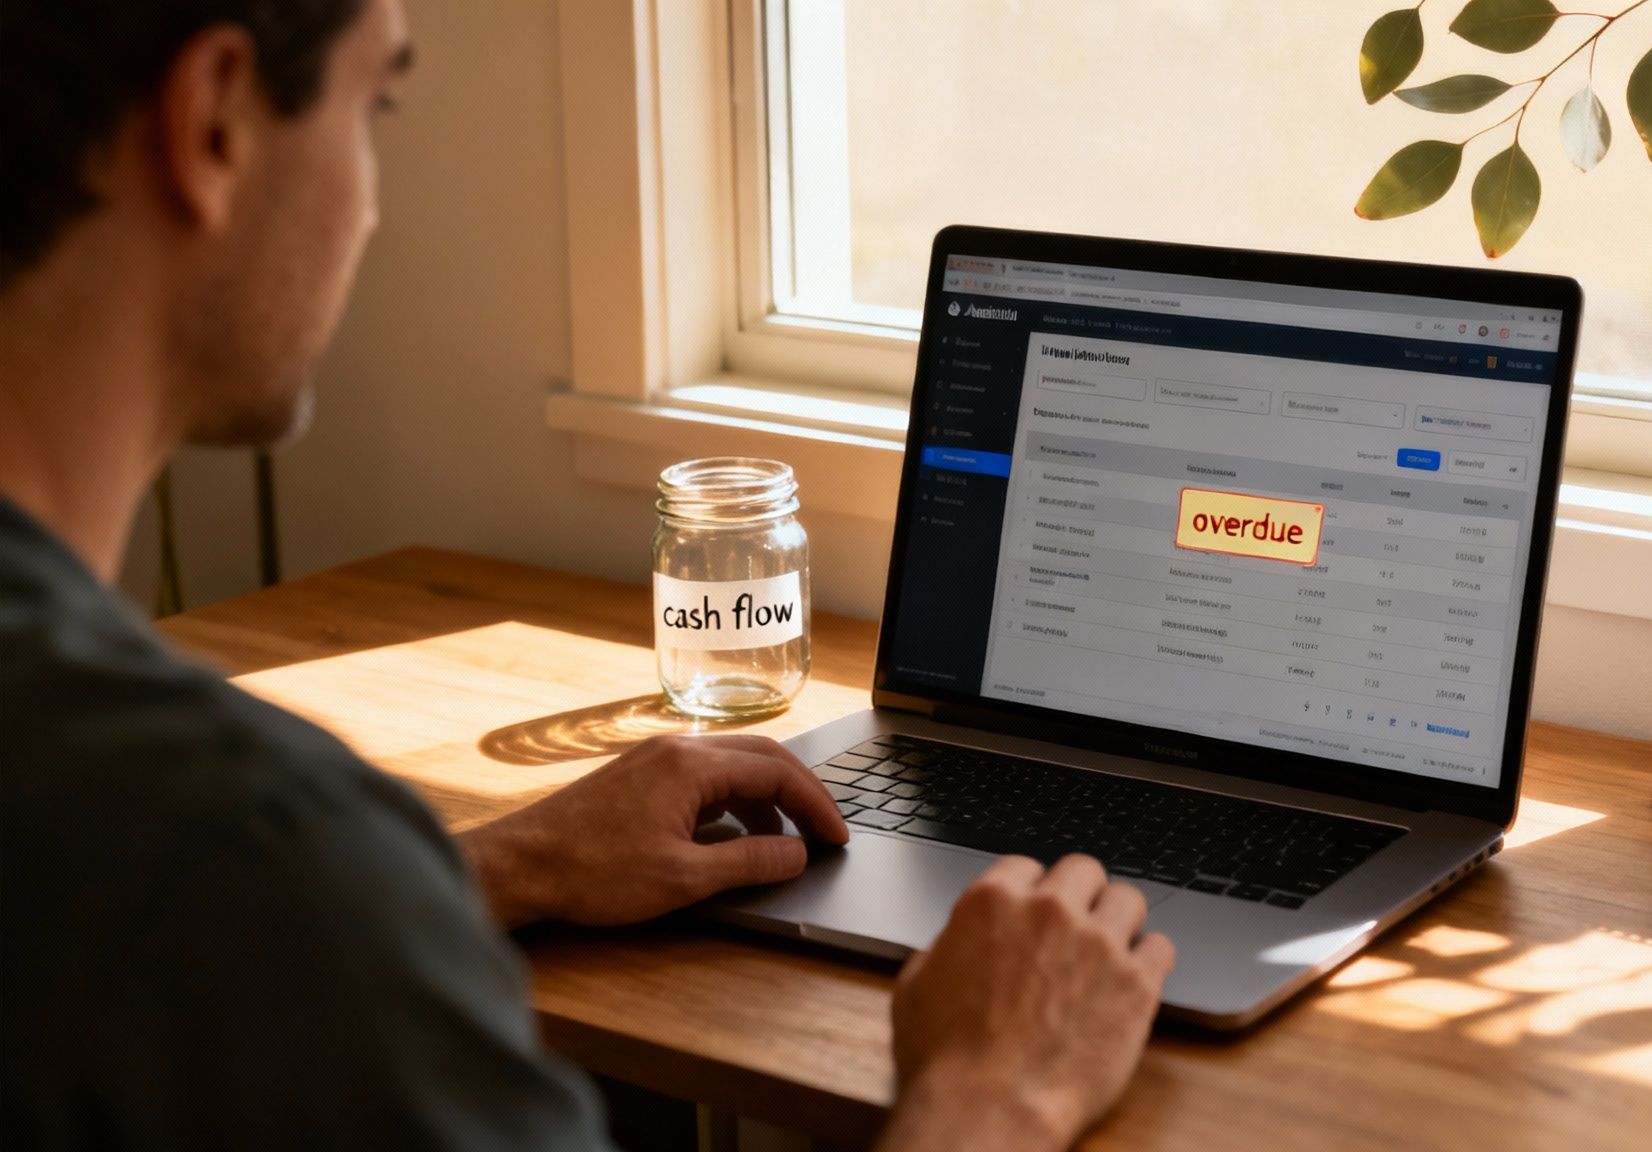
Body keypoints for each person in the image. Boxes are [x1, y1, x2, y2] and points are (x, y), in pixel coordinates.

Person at [0, 1, 1176, 1148]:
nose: (368, 207)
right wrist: (992, 1098)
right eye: (378, 103)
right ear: (211, 124)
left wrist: (513, 861)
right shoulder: (247, 833)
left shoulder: (155, 829)